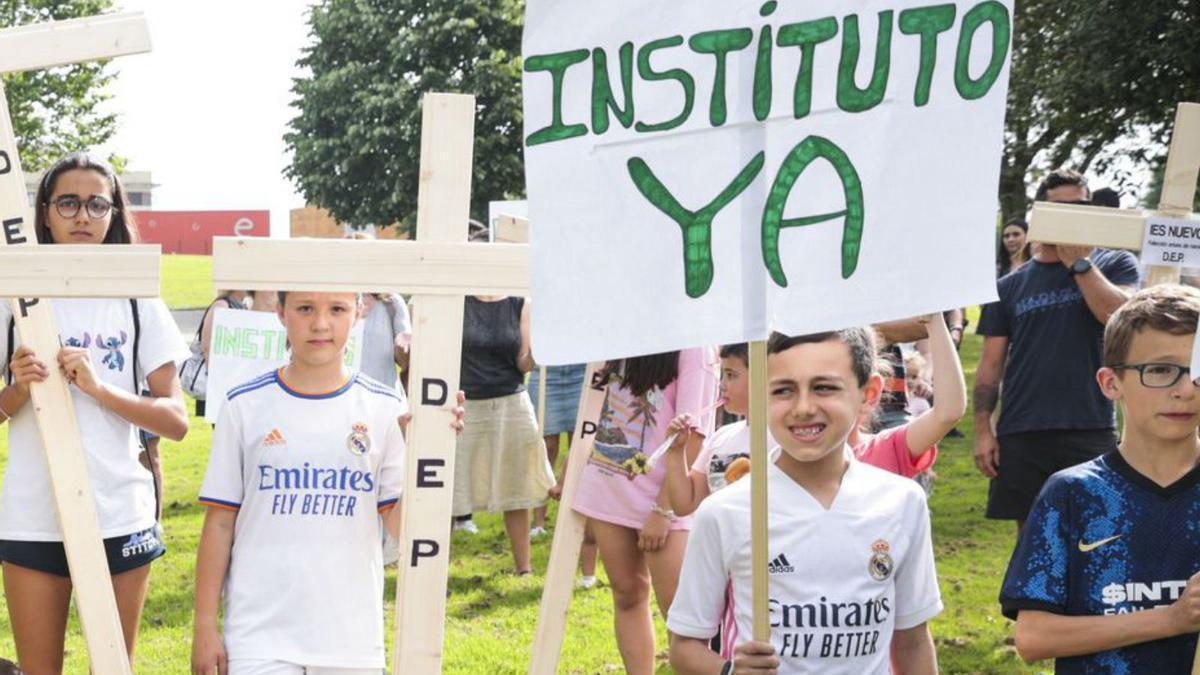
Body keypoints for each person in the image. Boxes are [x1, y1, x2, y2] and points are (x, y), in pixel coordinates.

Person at [191, 290, 464, 674]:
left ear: (359, 313)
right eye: (305, 309)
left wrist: (431, 453)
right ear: (281, 312)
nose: (320, 324)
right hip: (258, 635)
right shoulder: (243, 406)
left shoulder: (386, 410)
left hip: (350, 638)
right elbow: (220, 523)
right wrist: (204, 626)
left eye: (337, 309)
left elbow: (403, 528)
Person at [0, 153, 190, 672]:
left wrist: (100, 389)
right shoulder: (12, 296)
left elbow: (176, 421)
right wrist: (18, 389)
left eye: (96, 204)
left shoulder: (137, 298)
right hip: (34, 517)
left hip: (119, 512)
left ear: (113, 213)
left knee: (112, 666)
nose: (82, 216)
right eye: (68, 202)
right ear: (44, 213)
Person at [668, 329, 942, 674]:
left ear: (868, 393)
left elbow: (913, 641)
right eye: (783, 390)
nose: (803, 408)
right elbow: (684, 647)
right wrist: (729, 672)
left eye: (824, 387)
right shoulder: (727, 511)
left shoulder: (902, 503)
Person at [1000, 284, 1200, 672]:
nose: (1184, 391)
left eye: (1196, 371)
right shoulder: (1073, 493)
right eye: (1159, 370)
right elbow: (1035, 637)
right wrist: (1170, 619)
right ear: (1111, 383)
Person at [975, 169, 1141, 530]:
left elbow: (1120, 318)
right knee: (1033, 541)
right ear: (1041, 213)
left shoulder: (1115, 264)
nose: (1069, 214)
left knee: (1099, 538)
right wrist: (984, 431)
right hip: (1023, 429)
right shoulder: (1008, 286)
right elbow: (989, 368)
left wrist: (1080, 264)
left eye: (1078, 206)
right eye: (1058, 208)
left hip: (1089, 424)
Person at [572, 348, 719, 675]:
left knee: (681, 614)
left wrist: (663, 510)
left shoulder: (694, 347)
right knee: (627, 593)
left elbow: (694, 436)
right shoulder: (621, 333)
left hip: (666, 493)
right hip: (609, 482)